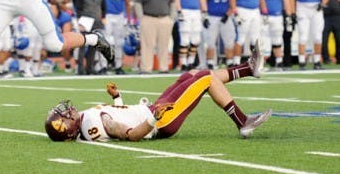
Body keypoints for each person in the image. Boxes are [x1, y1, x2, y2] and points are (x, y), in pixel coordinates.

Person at [45, 48, 271, 142]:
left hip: (153, 111)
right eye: (63, 116)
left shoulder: (87, 123)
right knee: (203, 78)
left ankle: (249, 69)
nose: (66, 110)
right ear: (67, 127)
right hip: (160, 120)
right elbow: (130, 134)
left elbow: (120, 117)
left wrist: (117, 98)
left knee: (188, 76)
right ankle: (243, 122)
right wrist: (154, 119)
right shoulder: (92, 121)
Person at [133, 0, 175, 73]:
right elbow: (137, 3)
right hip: (148, 18)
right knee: (147, 45)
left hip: (164, 19)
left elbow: (173, 3)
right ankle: (146, 68)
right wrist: (141, 18)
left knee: (164, 45)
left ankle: (163, 67)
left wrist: (171, 18)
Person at [289, 0, 329, 69]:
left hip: (316, 7)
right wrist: (292, 12)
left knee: (317, 36)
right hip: (302, 7)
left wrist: (323, 4)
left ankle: (317, 62)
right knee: (303, 36)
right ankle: (302, 62)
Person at [171, 0, 207, 70]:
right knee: (185, 37)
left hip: (196, 10)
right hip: (185, 9)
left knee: (196, 38)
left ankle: (191, 62)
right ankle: (184, 63)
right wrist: (179, 10)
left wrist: (204, 11)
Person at [228, 0, 267, 66]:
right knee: (240, 37)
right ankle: (236, 62)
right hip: (242, 10)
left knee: (255, 37)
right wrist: (235, 12)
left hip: (255, 11)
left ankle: (255, 62)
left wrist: (264, 11)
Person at [258, 0, 291, 69]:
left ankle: (279, 61)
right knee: (263, 39)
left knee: (277, 39)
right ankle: (262, 63)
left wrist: (289, 15)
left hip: (277, 15)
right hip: (263, 15)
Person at [98, 0, 132, 74]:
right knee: (105, 41)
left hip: (120, 15)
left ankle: (118, 66)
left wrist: (128, 16)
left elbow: (127, 0)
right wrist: (101, 15)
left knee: (119, 42)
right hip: (107, 15)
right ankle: (103, 66)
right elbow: (100, 0)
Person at [203, 0, 235, 69]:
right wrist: (205, 15)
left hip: (226, 16)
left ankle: (230, 61)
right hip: (212, 16)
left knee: (229, 41)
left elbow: (233, 1)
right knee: (210, 41)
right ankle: (210, 62)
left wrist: (228, 14)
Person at [74, 0, 107, 75]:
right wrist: (80, 22)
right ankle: (80, 69)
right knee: (82, 45)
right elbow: (78, 9)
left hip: (96, 21)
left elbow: (103, 7)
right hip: (85, 21)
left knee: (93, 46)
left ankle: (90, 68)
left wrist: (104, 18)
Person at [322, 0, 340, 65]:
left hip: (337, 16)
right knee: (324, 39)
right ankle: (326, 58)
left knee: (339, 38)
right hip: (325, 16)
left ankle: (339, 58)